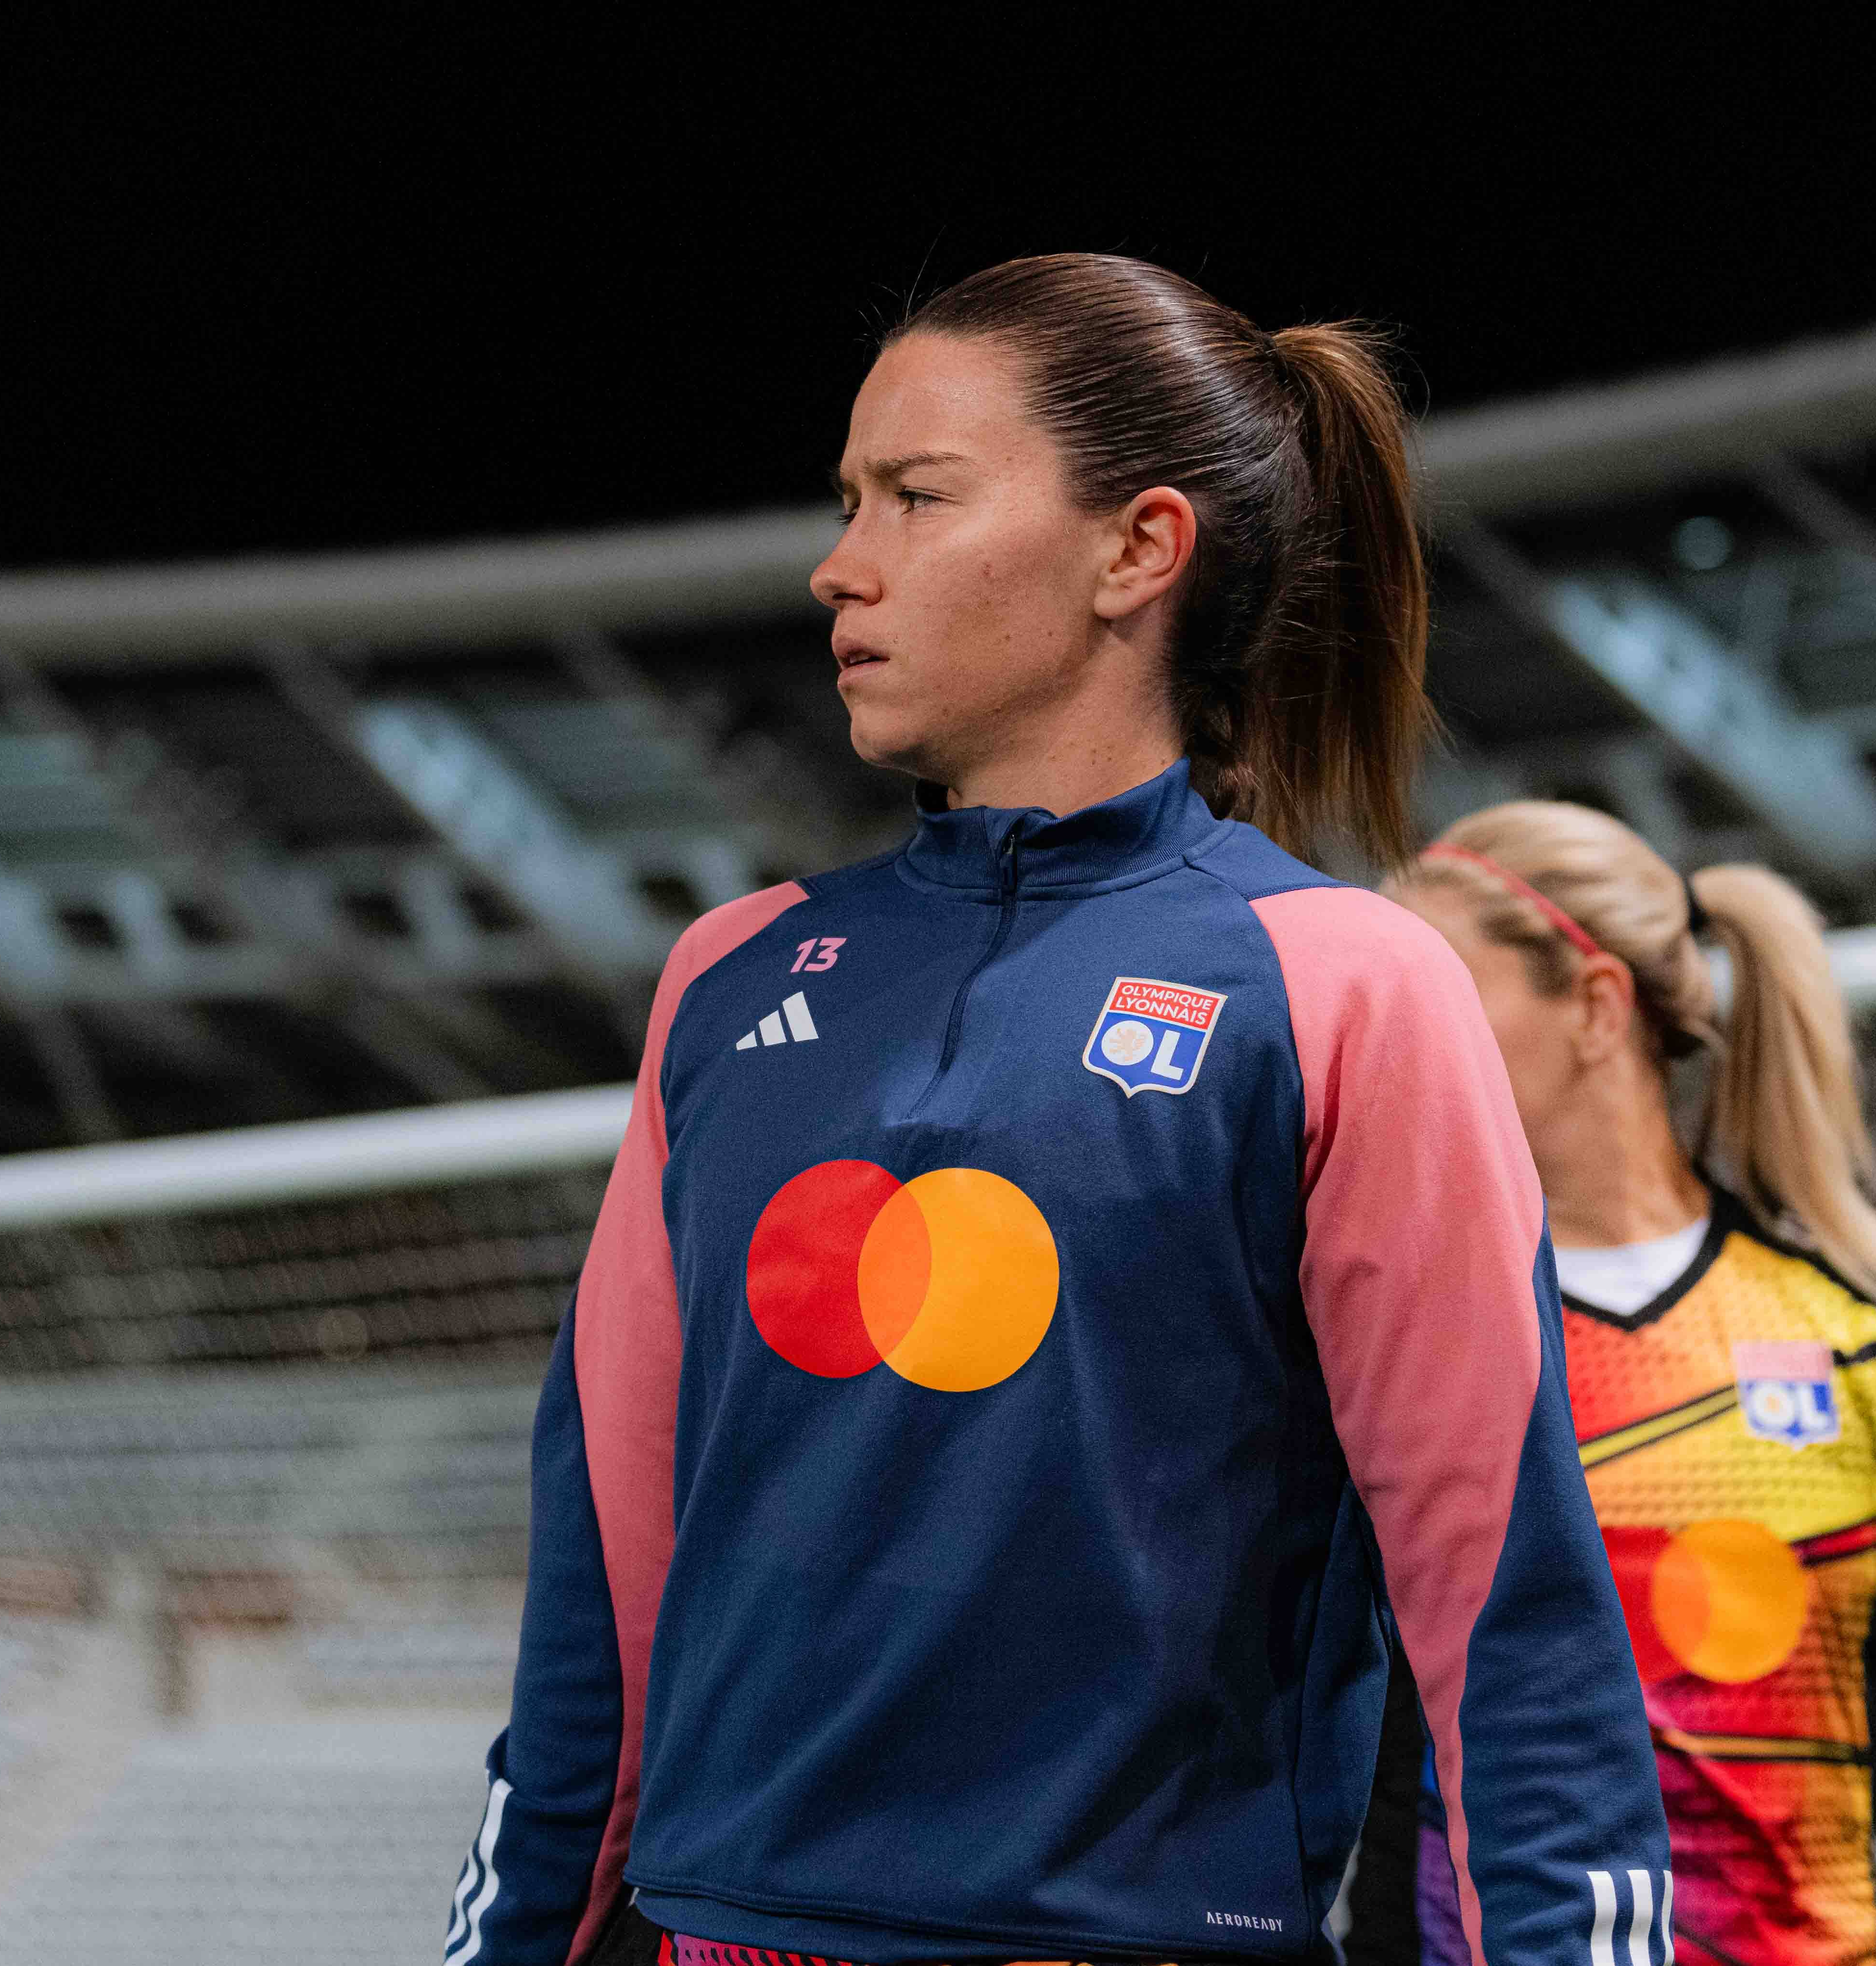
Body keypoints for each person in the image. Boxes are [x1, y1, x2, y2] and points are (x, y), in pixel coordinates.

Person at [444, 256, 1667, 1966]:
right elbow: (603, 1574)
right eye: (847, 499)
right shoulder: (731, 973)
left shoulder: (1340, 985)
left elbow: (1508, 1612)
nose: (838, 563)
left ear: (1137, 549)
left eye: (916, 498)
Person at [1353, 803, 1876, 1966]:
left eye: (1438, 1000)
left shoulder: (1863, 1329)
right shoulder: (1379, 1326)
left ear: (1593, 1006)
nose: (1394, 1047)